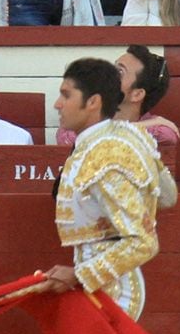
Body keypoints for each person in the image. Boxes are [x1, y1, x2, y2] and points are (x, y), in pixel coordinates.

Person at [38, 57, 163, 320]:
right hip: (99, 285)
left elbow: (143, 242)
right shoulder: (121, 138)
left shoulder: (105, 154)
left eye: (66, 95)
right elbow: (168, 193)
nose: (57, 104)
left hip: (114, 292)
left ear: (93, 102)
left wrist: (78, 274)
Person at [57, 45, 179, 146]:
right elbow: (66, 138)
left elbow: (168, 136)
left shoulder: (157, 127)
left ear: (137, 94)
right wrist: (139, 126)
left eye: (120, 72)